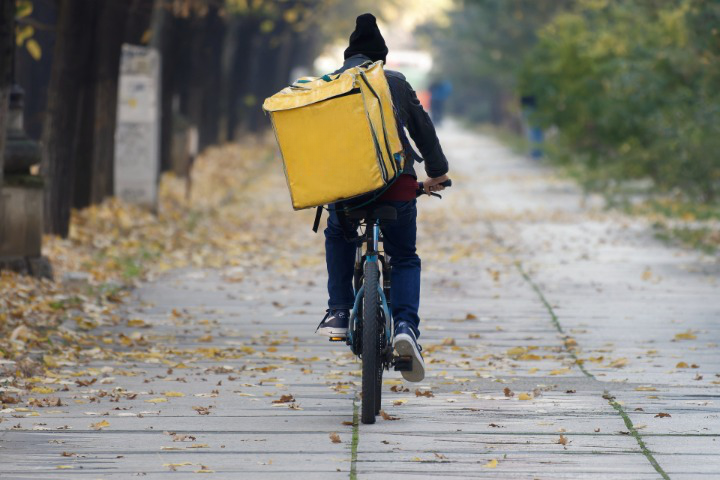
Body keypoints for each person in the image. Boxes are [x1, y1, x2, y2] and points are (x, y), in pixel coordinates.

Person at [315, 13, 450, 383]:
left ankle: (339, 310)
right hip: (397, 186)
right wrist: (436, 172)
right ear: (381, 59)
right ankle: (406, 326)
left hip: (348, 191)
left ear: (348, 57)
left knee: (338, 233)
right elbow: (424, 130)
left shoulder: (329, 86)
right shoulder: (393, 82)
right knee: (404, 256)